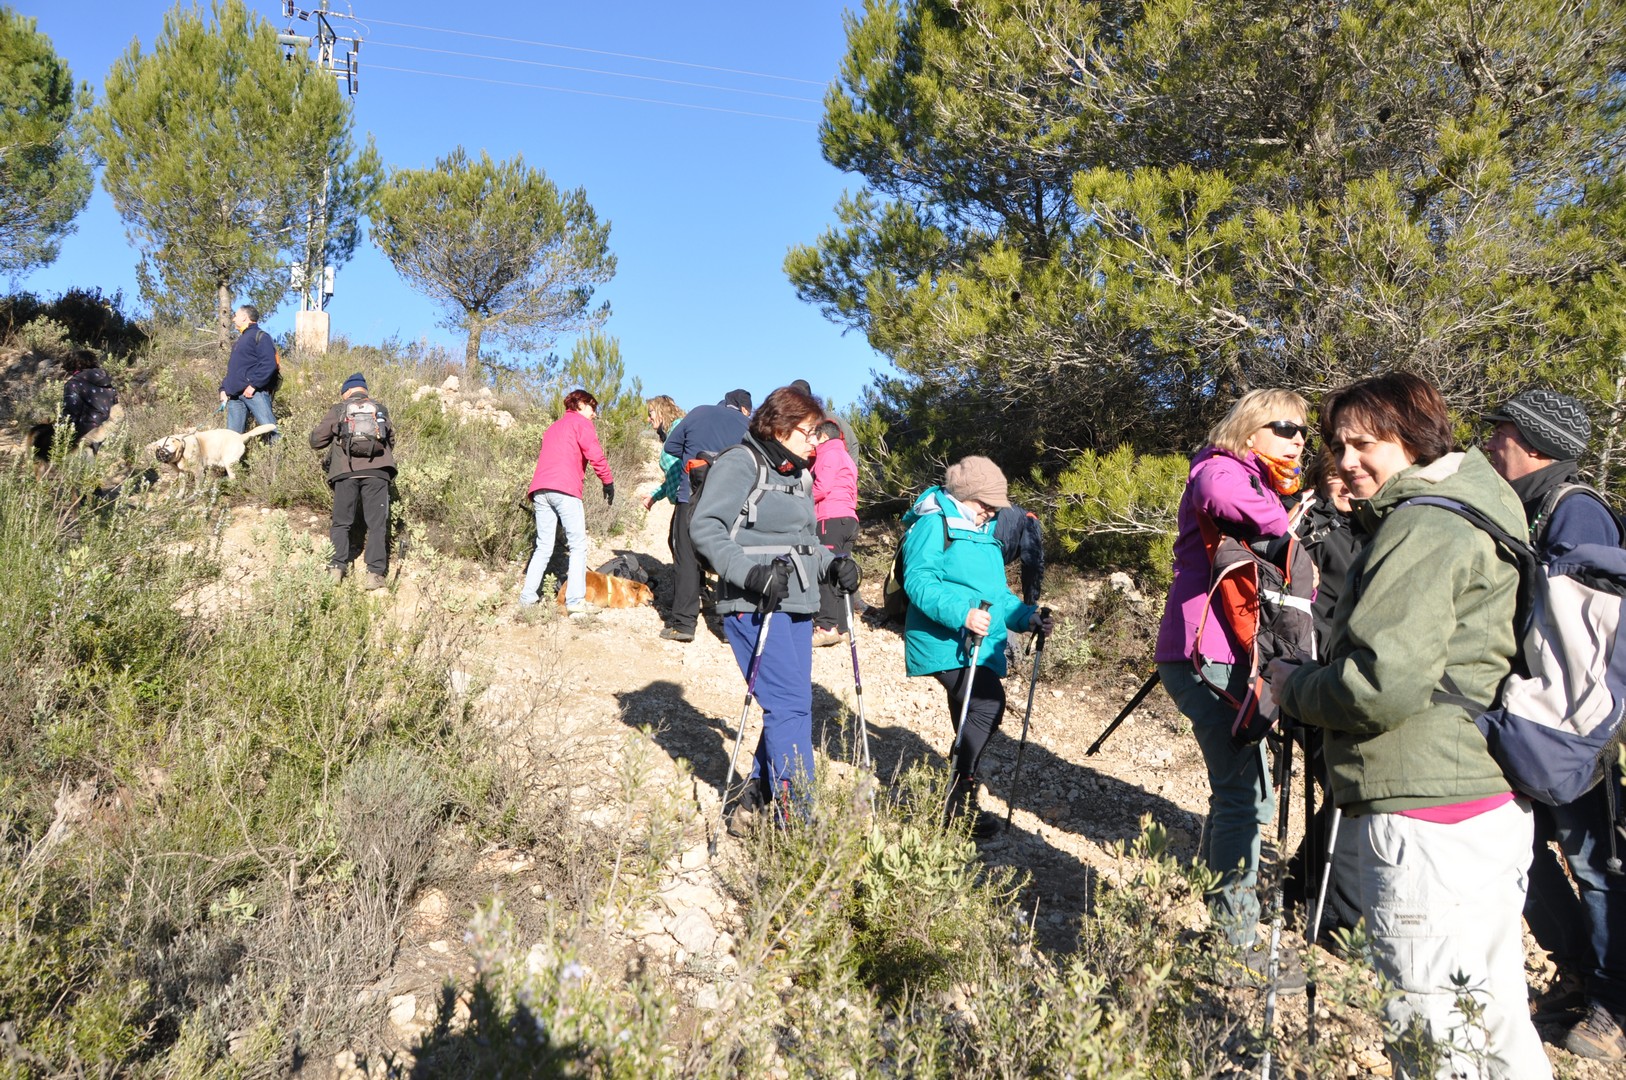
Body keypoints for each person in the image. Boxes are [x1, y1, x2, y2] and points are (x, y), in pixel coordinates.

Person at [1268, 372, 1550, 1079]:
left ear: (1414, 437)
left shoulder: (1423, 525)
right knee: (1490, 1020)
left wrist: (1293, 687)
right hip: (1476, 796)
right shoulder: (1479, 504)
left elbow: (1380, 685)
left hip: (1425, 811)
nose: (1346, 461)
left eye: (1365, 443)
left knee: (1431, 1029)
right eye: (1338, 446)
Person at [1483, 388, 1626, 1060]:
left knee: (1593, 861)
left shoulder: (1577, 512)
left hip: (1572, 727)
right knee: (1523, 852)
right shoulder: (1530, 507)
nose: (1490, 443)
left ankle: (1612, 1004)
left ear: (1535, 442)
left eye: (1501, 432)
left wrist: (1580, 730)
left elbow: (1591, 644)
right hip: (1527, 716)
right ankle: (1577, 973)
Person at [1154, 388, 1308, 971]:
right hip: (1206, 657)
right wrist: (1287, 519)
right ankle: (1234, 946)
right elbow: (1220, 494)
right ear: (1249, 430)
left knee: (1241, 792)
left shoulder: (1254, 481)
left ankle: (1224, 917)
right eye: (1285, 427)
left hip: (1220, 656)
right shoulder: (1220, 468)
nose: (1298, 439)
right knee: (1245, 795)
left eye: (1303, 431)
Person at [690, 386, 854, 829]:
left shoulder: (798, 475)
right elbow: (705, 527)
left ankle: (754, 802)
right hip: (754, 604)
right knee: (789, 707)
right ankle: (798, 819)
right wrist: (751, 574)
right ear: (780, 427)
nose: (815, 442)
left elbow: (804, 541)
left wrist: (832, 564)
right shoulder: (741, 462)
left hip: (797, 601)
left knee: (792, 705)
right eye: (808, 432)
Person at [899, 455, 1047, 838]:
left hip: (975, 644)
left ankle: (959, 801)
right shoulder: (933, 523)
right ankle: (958, 795)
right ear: (966, 495)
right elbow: (918, 581)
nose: (992, 513)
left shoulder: (985, 533)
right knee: (987, 704)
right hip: (942, 639)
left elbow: (998, 594)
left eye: (996, 507)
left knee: (968, 712)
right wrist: (962, 614)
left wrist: (1026, 617)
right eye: (987, 505)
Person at [1282, 450, 1364, 935]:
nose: (1347, 483)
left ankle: (1301, 884)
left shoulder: (1374, 526)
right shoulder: (1311, 525)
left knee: (1344, 786)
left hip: (1348, 674)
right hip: (1312, 674)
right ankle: (1325, 901)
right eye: (1336, 475)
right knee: (1344, 785)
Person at [659, 389, 752, 642]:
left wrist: (693, 453)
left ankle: (684, 625)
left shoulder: (699, 412)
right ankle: (728, 627)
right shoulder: (748, 425)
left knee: (686, 558)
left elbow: (671, 446)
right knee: (728, 559)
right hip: (730, 501)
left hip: (691, 495)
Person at [518, 389, 615, 615]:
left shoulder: (552, 428)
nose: (594, 414)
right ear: (580, 404)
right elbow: (595, 454)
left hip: (540, 490)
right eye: (592, 407)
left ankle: (527, 599)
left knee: (543, 546)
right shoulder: (581, 424)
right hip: (565, 489)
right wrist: (608, 481)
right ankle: (575, 601)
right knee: (578, 545)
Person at [309, 372, 396, 590]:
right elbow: (391, 440)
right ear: (364, 390)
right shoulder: (380, 409)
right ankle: (375, 575)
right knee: (376, 525)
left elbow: (316, 441)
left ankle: (336, 569)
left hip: (345, 472)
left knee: (341, 523)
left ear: (347, 391)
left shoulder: (339, 409)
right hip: (377, 472)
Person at [810, 419, 859, 647]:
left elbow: (822, 487)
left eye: (813, 436)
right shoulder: (846, 457)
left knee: (826, 572)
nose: (810, 442)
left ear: (823, 436)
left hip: (829, 518)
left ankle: (826, 626)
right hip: (848, 518)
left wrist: (800, 501)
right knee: (842, 571)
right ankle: (843, 627)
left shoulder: (828, 454)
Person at [219, 305, 280, 442]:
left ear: (244, 317)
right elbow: (234, 370)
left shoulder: (261, 336)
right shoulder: (240, 340)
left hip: (255, 393)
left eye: (236, 315)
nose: (233, 319)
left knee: (271, 429)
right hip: (235, 397)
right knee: (231, 441)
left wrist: (253, 385)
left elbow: (269, 364)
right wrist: (223, 389)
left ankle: (280, 455)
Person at [641, 395, 687, 512]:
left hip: (688, 503)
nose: (648, 419)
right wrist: (654, 496)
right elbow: (674, 477)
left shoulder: (680, 427)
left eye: (650, 413)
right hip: (681, 504)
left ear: (661, 411)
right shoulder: (671, 434)